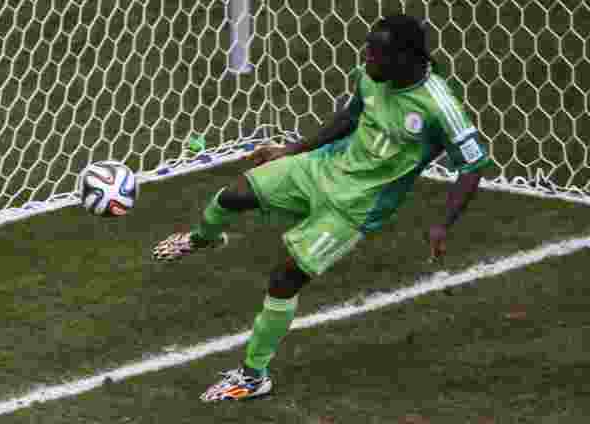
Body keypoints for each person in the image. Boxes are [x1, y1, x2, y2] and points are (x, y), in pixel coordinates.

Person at [152, 14, 490, 402]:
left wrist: (444, 224)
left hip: (355, 208)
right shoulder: (372, 77)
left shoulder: (438, 105)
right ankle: (202, 238)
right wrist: (291, 151)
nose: (367, 62)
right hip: (321, 168)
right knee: (235, 194)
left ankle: (252, 376)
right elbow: (348, 118)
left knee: (285, 277)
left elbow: (474, 164)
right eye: (367, 52)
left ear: (405, 58)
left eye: (376, 55)